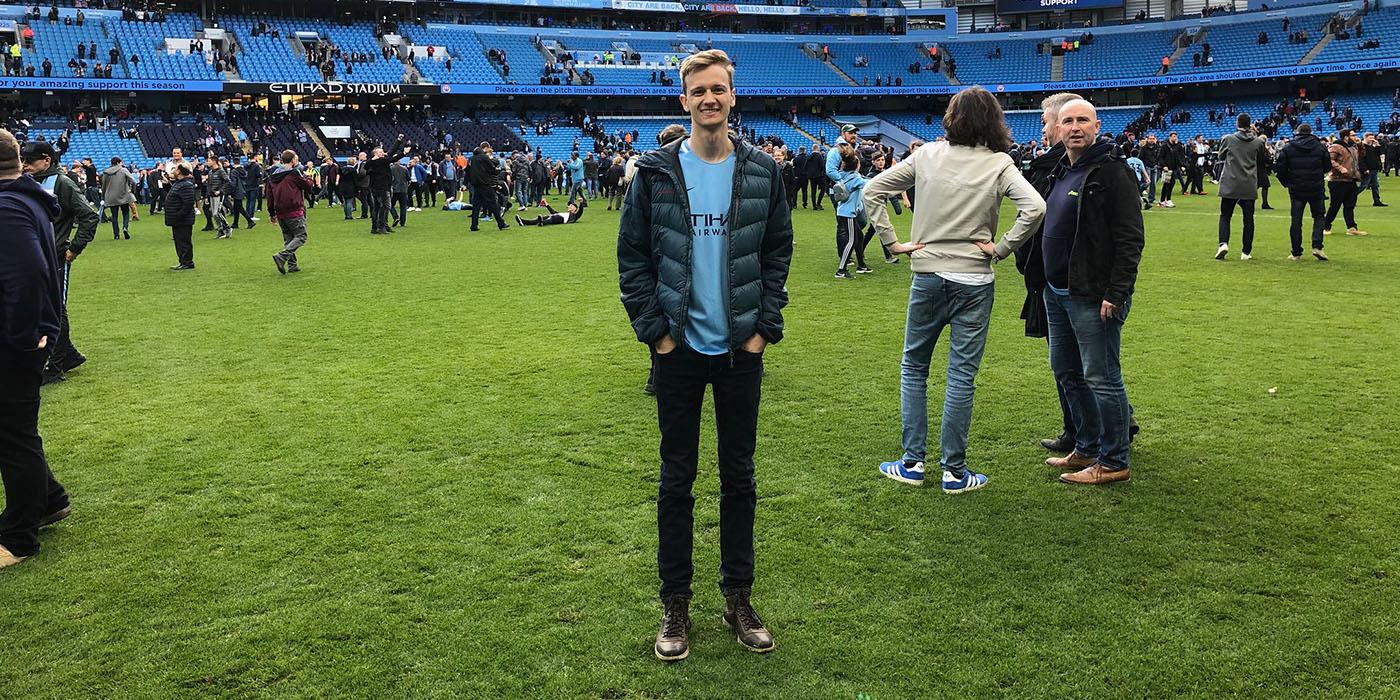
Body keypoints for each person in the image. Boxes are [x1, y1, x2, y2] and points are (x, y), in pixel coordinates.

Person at [617, 49, 792, 663]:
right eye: (700, 90)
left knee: (739, 479)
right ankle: (675, 604)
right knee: (677, 480)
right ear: (683, 100)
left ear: (732, 98)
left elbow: (777, 254)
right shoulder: (654, 173)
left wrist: (762, 330)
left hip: (741, 351)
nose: (710, 99)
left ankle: (738, 598)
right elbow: (632, 260)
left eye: (720, 89)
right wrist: (657, 335)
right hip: (680, 352)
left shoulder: (764, 172)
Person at [863, 86, 1046, 494]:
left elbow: (873, 189)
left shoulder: (927, 154)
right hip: (975, 280)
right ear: (993, 120)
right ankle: (954, 471)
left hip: (928, 276)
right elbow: (1035, 207)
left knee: (914, 368)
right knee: (961, 376)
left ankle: (912, 463)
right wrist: (1001, 248)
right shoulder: (999, 163)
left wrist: (892, 242)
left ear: (952, 117)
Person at [1039, 99, 1145, 486]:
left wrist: (1116, 292)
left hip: (1092, 293)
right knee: (1067, 371)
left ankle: (1114, 459)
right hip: (1057, 290)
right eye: (1067, 121)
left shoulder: (1112, 172)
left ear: (1097, 125)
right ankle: (1085, 445)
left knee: (1101, 376)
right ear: (1059, 128)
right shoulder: (1061, 169)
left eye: (1083, 119)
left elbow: (1130, 239)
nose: (1075, 126)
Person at [0, 128, 71, 570]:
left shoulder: (7, 207)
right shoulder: (24, 199)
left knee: (12, 436)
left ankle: (18, 537)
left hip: (13, 342)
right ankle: (49, 500)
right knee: (11, 431)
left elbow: (25, 273)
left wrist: (26, 334)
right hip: (23, 336)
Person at [1018, 92, 1083, 454]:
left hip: (1059, 278)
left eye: (1045, 122)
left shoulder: (1062, 168)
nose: (1042, 129)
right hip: (1050, 275)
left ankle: (1081, 433)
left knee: (1071, 364)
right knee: (1079, 361)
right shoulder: (1057, 166)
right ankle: (1098, 424)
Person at [21, 140, 97, 384]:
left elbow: (89, 216)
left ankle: (55, 367)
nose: (25, 165)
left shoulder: (63, 183)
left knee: (56, 309)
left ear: (46, 160)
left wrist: (74, 248)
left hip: (56, 257)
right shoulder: (32, 182)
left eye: (29, 161)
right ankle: (69, 355)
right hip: (36, 257)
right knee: (46, 308)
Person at [1274, 123, 1330, 261]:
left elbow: (1280, 168)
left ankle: (1296, 252)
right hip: (1316, 187)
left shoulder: (1289, 147)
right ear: (1310, 132)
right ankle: (1317, 246)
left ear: (1297, 132)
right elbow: (1327, 166)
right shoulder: (1320, 147)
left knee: (1296, 220)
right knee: (1318, 216)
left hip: (1296, 188)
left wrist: (1286, 183)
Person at [1215, 114, 1264, 261]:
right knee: (1248, 219)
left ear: (1237, 123)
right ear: (1250, 125)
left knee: (1225, 215)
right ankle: (1246, 252)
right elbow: (1261, 160)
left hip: (1231, 182)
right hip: (1249, 183)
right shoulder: (1258, 142)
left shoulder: (1228, 139)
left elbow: (1220, 157)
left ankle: (1223, 243)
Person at [265, 150, 312, 275]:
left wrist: (271, 213)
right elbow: (308, 187)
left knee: (288, 238)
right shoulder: (294, 173)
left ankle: (292, 265)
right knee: (301, 236)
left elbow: (269, 196)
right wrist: (307, 176)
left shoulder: (272, 176)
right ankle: (282, 256)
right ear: (293, 160)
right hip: (294, 209)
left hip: (280, 211)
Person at [831, 144, 869, 279]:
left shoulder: (843, 175)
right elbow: (869, 184)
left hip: (842, 212)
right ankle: (841, 270)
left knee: (859, 236)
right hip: (848, 214)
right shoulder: (856, 179)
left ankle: (861, 265)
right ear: (856, 165)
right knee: (851, 240)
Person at [1324, 130, 1365, 236]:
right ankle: (1326, 226)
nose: (1355, 137)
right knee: (1335, 205)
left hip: (1351, 179)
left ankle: (1351, 228)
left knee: (1350, 205)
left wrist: (1360, 145)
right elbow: (1330, 159)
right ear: (1346, 137)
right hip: (1338, 180)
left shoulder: (1353, 147)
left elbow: (1362, 156)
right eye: (1353, 135)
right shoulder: (1336, 146)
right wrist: (1340, 168)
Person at [469, 142, 508, 232]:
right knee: (493, 204)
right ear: (486, 148)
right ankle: (501, 223)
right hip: (485, 184)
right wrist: (498, 170)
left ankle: (474, 225)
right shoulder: (484, 157)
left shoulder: (473, 158)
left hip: (476, 185)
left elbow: (468, 171)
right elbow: (492, 169)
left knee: (476, 206)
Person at [164, 164, 196, 270]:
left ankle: (187, 262)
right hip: (178, 219)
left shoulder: (186, 184)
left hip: (183, 220)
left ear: (181, 171)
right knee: (179, 241)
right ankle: (183, 261)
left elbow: (188, 203)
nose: (174, 170)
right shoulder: (180, 183)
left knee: (184, 241)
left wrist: (179, 215)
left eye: (176, 169)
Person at [100, 156, 136, 240]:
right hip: (123, 195)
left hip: (111, 196)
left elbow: (104, 186)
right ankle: (125, 227)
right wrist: (131, 189)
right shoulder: (123, 170)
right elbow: (132, 180)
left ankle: (116, 234)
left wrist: (103, 197)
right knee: (126, 213)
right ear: (118, 162)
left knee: (114, 216)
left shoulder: (106, 172)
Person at [364, 147, 393, 235]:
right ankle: (381, 226)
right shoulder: (378, 162)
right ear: (376, 154)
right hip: (381, 187)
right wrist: (404, 152)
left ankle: (375, 227)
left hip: (375, 187)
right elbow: (393, 157)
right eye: (381, 152)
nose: (383, 153)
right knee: (385, 206)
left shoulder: (371, 163)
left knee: (377, 207)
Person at [514, 196, 585, 227]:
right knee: (537, 219)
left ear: (575, 209)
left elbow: (580, 212)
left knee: (551, 218)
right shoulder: (565, 213)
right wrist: (546, 204)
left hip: (561, 219)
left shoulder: (574, 216)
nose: (569, 206)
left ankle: (542, 223)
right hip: (556, 216)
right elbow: (553, 212)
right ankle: (523, 222)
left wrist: (581, 202)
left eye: (571, 206)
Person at [1157, 132, 1185, 207]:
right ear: (1170, 137)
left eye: (1176, 136)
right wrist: (1164, 165)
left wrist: (1181, 165)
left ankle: (1163, 200)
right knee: (1168, 183)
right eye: (1174, 136)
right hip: (1167, 168)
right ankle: (1166, 200)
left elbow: (1177, 157)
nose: (1175, 138)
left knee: (1170, 183)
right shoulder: (1164, 145)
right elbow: (1160, 157)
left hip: (1174, 167)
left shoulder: (1175, 146)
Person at [1358, 132, 1386, 206]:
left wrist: (1377, 146)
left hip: (1374, 168)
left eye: (1373, 138)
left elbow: (1377, 154)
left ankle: (1377, 201)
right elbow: (1360, 159)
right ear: (1365, 137)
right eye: (1370, 138)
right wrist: (1364, 169)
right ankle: (1350, 198)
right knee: (1363, 186)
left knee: (1375, 186)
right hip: (1367, 169)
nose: (1372, 139)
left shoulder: (1371, 146)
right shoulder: (1361, 146)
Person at [242, 152, 262, 229]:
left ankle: (247, 215)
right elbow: (258, 175)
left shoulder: (246, 165)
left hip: (247, 185)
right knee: (252, 201)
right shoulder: (256, 166)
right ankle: (251, 215)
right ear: (255, 157)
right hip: (254, 185)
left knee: (248, 200)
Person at [390, 157, 410, 228]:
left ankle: (395, 217)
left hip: (394, 190)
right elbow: (408, 178)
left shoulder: (391, 169)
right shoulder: (404, 168)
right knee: (403, 207)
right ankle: (403, 222)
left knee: (390, 205)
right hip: (403, 190)